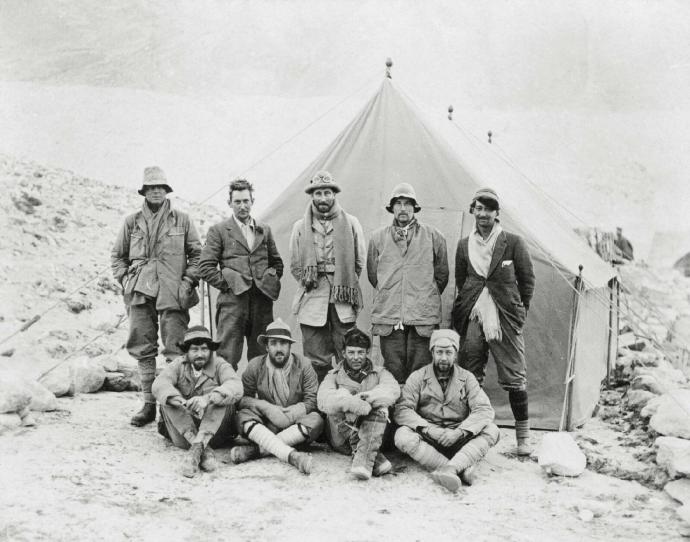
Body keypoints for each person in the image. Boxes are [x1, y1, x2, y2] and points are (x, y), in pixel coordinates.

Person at [111, 166, 201, 427]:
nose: (156, 192)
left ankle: (169, 409)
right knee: (142, 346)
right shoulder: (132, 221)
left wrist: (188, 280)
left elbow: (197, 255)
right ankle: (149, 405)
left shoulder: (182, 220)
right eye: (151, 188)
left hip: (173, 291)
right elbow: (117, 256)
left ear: (167, 190)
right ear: (144, 191)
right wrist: (125, 278)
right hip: (140, 291)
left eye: (160, 187)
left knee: (175, 348)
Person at [451, 188, 535, 455]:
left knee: (514, 375)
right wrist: (467, 307)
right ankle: (472, 430)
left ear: (497, 213)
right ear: (472, 211)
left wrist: (518, 312)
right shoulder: (464, 245)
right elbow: (461, 281)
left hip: (505, 316)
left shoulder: (513, 242)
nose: (483, 214)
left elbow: (527, 281)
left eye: (489, 209)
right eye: (478, 208)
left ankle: (523, 439)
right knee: (469, 371)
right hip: (474, 314)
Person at [394, 329, 500, 492]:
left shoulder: (467, 378)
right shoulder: (418, 377)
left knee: (492, 430)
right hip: (430, 437)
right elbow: (402, 409)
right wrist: (429, 429)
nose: (443, 357)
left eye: (448, 352)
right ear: (432, 353)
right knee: (401, 435)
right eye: (439, 352)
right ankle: (457, 468)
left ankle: (450, 469)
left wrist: (459, 432)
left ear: (456, 354)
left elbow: (484, 410)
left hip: (458, 436)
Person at [367, 183, 449, 384]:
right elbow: (373, 275)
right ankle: (395, 412)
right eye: (398, 203)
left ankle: (415, 411)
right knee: (393, 367)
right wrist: (392, 293)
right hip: (389, 313)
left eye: (407, 204)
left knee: (420, 367)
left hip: (422, 314)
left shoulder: (433, 236)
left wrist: (422, 294)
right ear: (392, 208)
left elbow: (442, 275)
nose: (403, 208)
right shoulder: (378, 238)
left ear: (415, 207)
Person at [199, 178, 283, 369]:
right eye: (237, 202)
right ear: (229, 203)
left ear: (252, 201)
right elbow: (205, 267)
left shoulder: (264, 230)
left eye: (246, 201)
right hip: (232, 303)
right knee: (227, 354)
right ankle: (227, 396)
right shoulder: (219, 230)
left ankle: (257, 397)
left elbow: (277, 263)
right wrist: (228, 285)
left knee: (261, 355)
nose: (242, 206)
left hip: (261, 303)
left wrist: (268, 280)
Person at [289, 170, 366, 382]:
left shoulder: (350, 223)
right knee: (315, 356)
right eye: (318, 193)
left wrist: (344, 281)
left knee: (347, 351)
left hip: (342, 297)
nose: (323, 198)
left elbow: (359, 262)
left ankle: (345, 397)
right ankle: (317, 403)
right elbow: (295, 264)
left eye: (327, 193)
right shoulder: (300, 227)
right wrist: (311, 281)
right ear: (312, 196)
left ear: (334, 195)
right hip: (313, 295)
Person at [230, 318, 324, 474]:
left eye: (283, 343)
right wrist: (266, 407)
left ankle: (256, 450)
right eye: (273, 343)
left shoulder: (304, 365)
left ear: (290, 346)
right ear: (267, 347)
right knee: (242, 416)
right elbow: (242, 398)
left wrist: (293, 413)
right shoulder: (255, 365)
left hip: (294, 424)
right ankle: (293, 456)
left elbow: (312, 399)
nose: (278, 349)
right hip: (268, 423)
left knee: (317, 420)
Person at [152, 326, 243, 477]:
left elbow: (236, 386)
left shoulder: (220, 365)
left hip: (216, 434)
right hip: (184, 433)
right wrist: (180, 401)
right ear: (187, 351)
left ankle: (196, 451)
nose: (200, 354)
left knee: (222, 398)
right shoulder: (178, 365)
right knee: (166, 400)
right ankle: (201, 448)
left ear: (211, 351)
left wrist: (207, 399)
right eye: (194, 349)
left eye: (204, 349)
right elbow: (159, 384)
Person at [317, 328, 400, 480]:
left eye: (360, 352)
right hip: (342, 438)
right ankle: (374, 459)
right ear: (343, 353)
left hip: (374, 431)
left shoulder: (380, 372)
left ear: (367, 352)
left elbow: (393, 390)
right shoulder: (333, 376)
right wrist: (351, 403)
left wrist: (369, 398)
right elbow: (323, 400)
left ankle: (362, 462)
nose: (356, 357)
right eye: (351, 352)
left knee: (381, 406)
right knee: (340, 396)